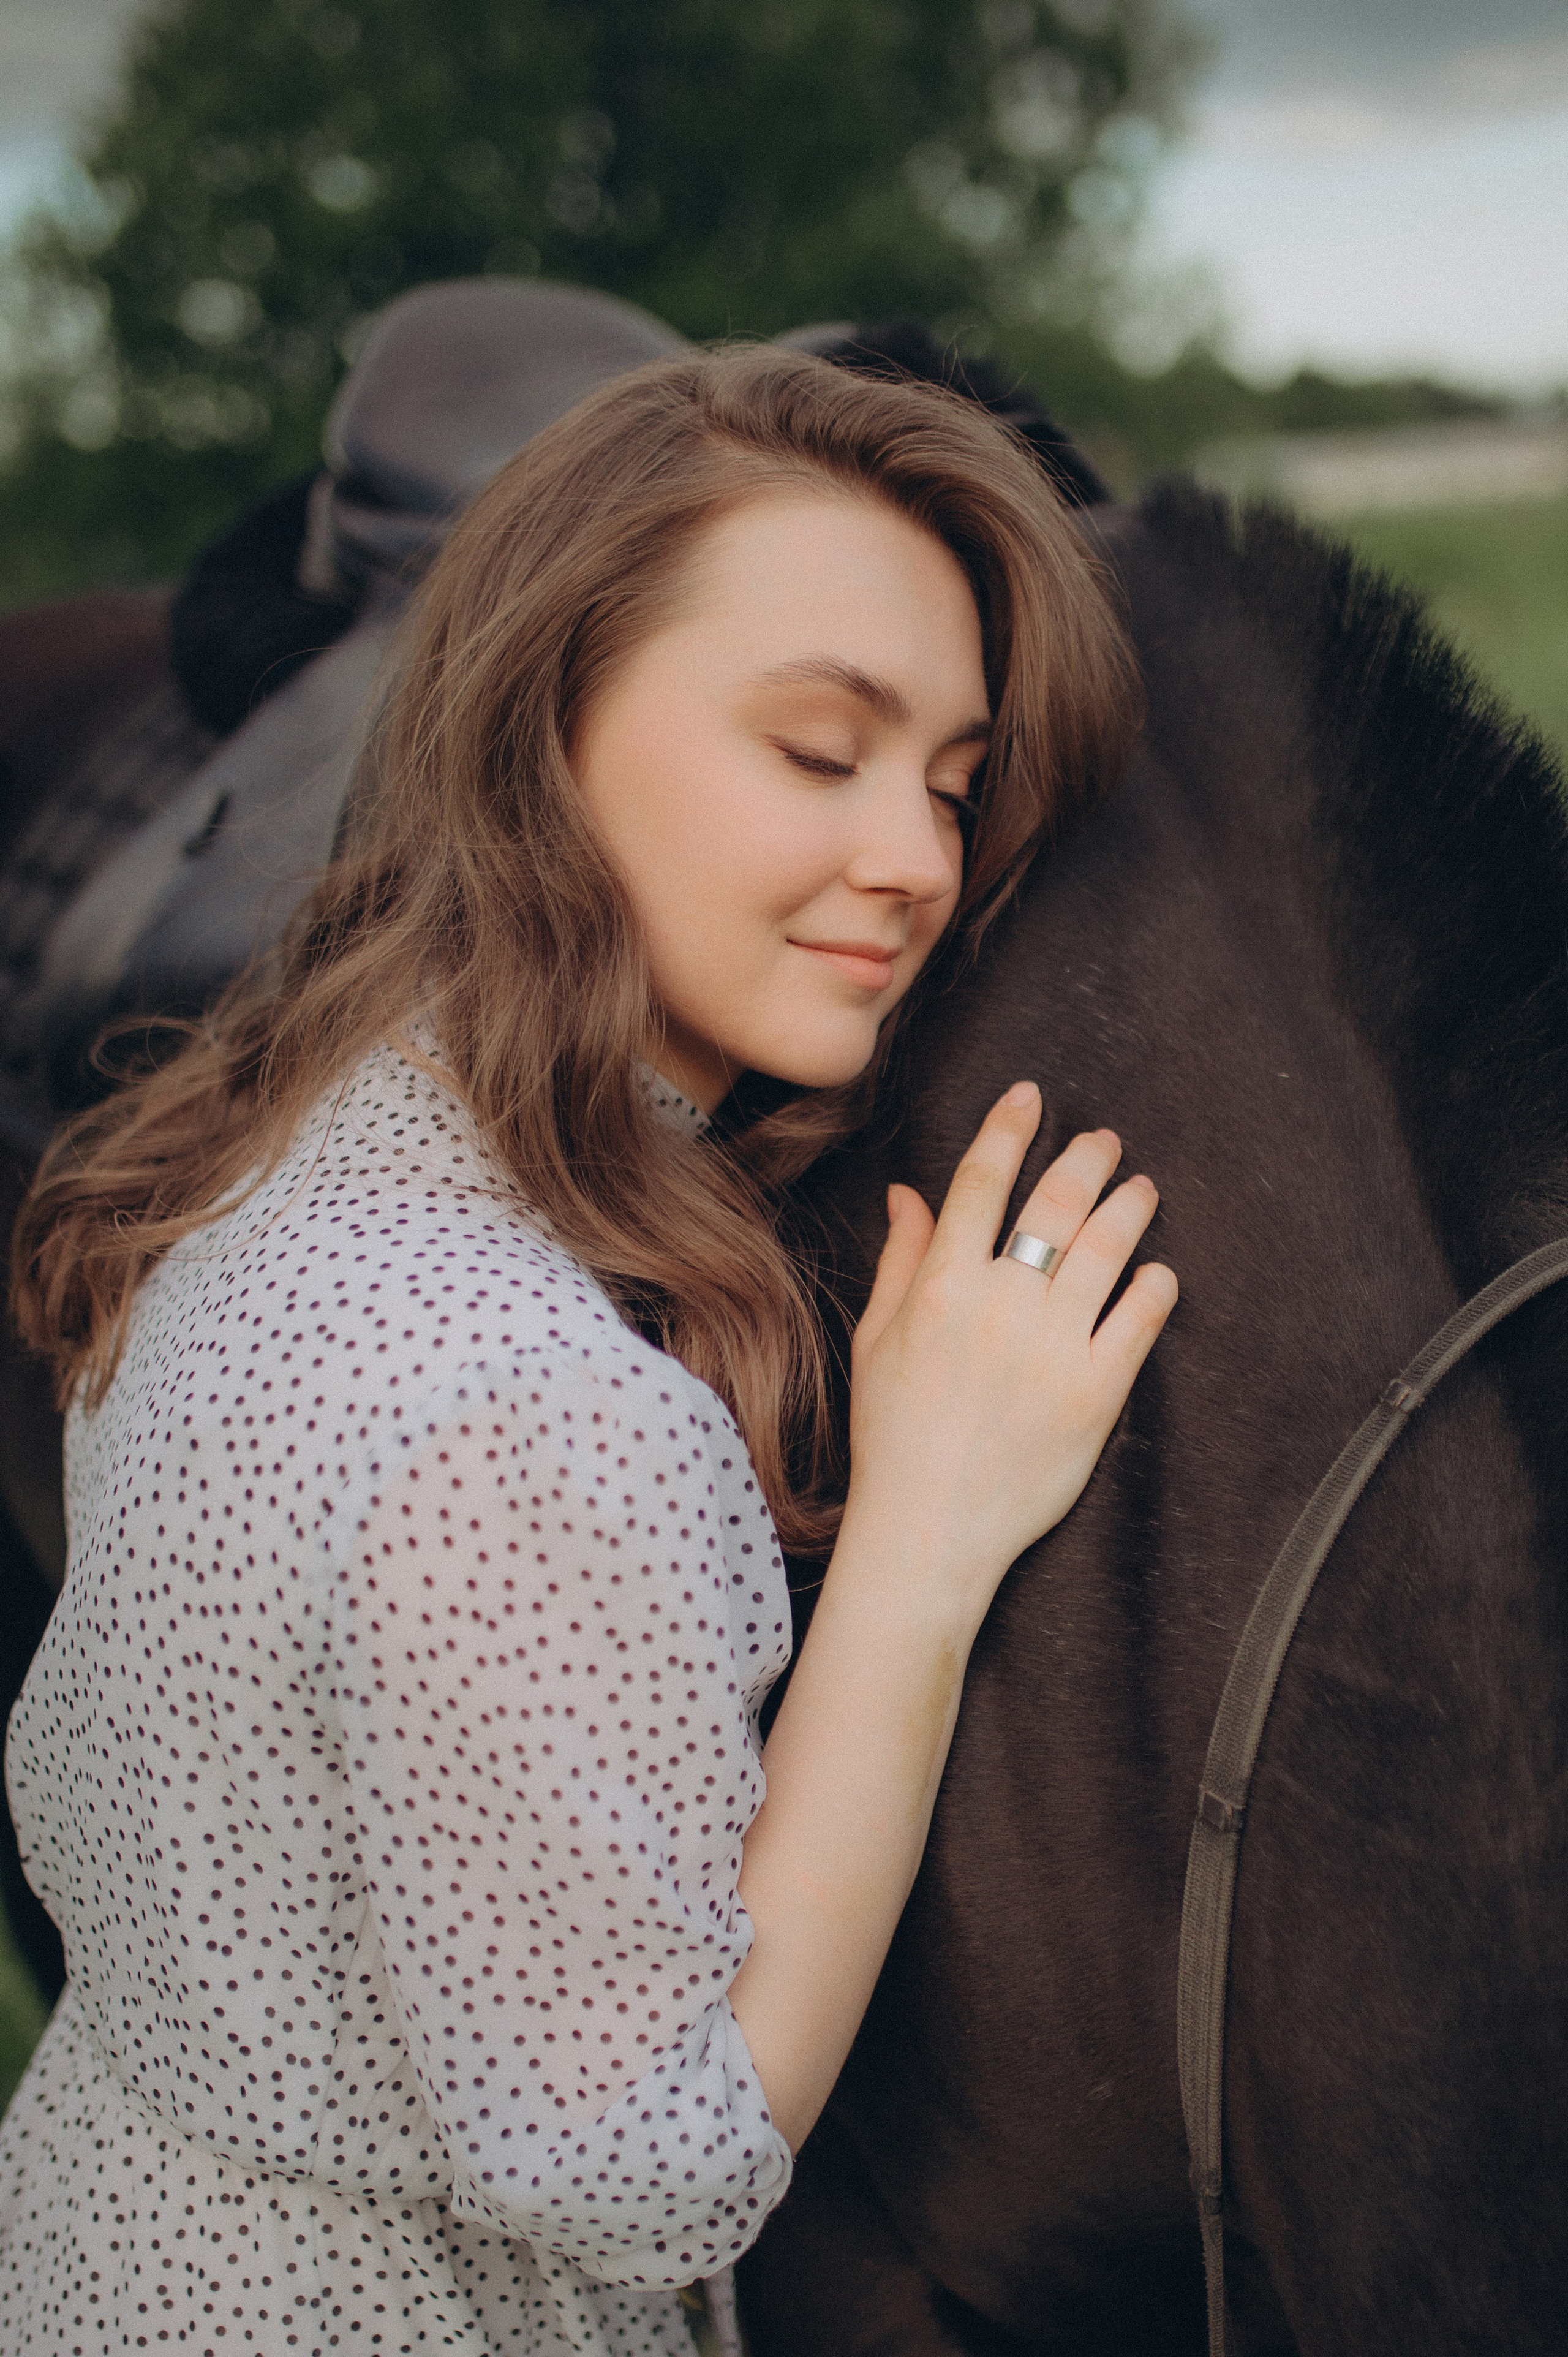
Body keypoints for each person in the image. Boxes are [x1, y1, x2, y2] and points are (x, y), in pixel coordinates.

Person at [0, 346, 1176, 2356]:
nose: (915, 857)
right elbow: (646, 2187)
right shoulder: (534, 1406)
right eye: (822, 751)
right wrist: (924, 1548)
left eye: (957, 786)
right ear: (542, 729)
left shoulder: (267, 1155)